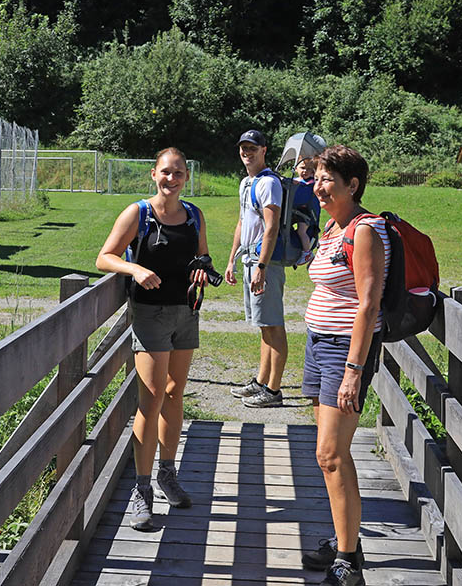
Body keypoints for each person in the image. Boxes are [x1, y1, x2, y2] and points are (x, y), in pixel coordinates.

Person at [96, 147, 211, 531]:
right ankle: (141, 491)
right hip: (149, 314)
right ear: (153, 174)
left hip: (185, 312)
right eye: (165, 172)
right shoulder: (138, 213)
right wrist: (135, 269)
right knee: (152, 397)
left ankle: (167, 474)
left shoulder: (194, 215)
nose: (171, 179)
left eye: (178, 173)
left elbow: (203, 257)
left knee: (176, 393)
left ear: (186, 177)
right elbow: (105, 257)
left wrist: (204, 271)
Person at [300, 145, 390, 586]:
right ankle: (343, 542)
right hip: (318, 346)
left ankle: (349, 562)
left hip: (343, 352)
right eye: (316, 177)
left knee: (330, 454)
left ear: (352, 185)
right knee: (330, 456)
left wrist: (355, 368)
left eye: (326, 179)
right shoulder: (333, 228)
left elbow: (369, 303)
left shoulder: (366, 230)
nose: (318, 185)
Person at [225, 129, 289, 408]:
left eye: (252, 148)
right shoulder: (246, 183)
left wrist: (262, 265)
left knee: (274, 324)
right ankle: (261, 381)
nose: (246, 152)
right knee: (263, 325)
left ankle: (273, 390)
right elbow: (242, 223)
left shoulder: (269, 183)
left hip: (265, 261)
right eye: (243, 148)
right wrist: (231, 259)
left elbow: (271, 227)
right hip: (249, 259)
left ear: (264, 150)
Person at [293, 157, 317, 266]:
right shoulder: (296, 181)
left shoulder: (312, 182)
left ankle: (307, 252)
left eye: (309, 169)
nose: (305, 171)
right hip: (296, 211)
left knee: (301, 231)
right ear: (296, 168)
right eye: (302, 168)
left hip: (306, 213)